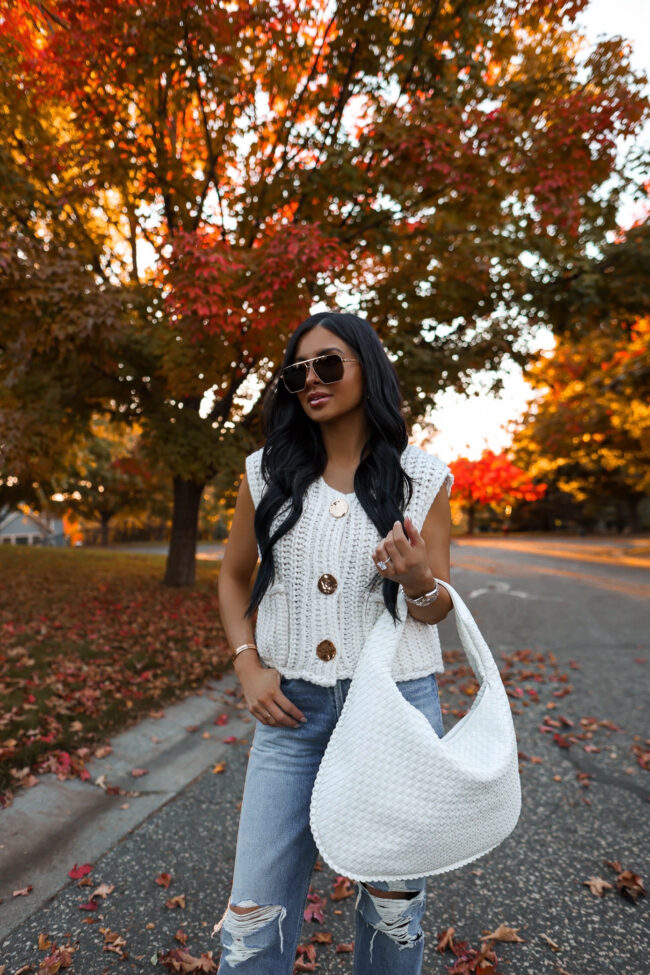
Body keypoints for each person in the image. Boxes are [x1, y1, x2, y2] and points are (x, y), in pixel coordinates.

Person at [213, 311, 454, 974]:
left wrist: (418, 577)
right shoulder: (266, 474)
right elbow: (234, 578)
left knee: (392, 910)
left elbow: (434, 612)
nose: (311, 380)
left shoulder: (422, 477)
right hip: (291, 712)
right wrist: (249, 666)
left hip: (396, 714)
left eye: (328, 363)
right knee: (254, 911)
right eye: (297, 372)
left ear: (366, 367)